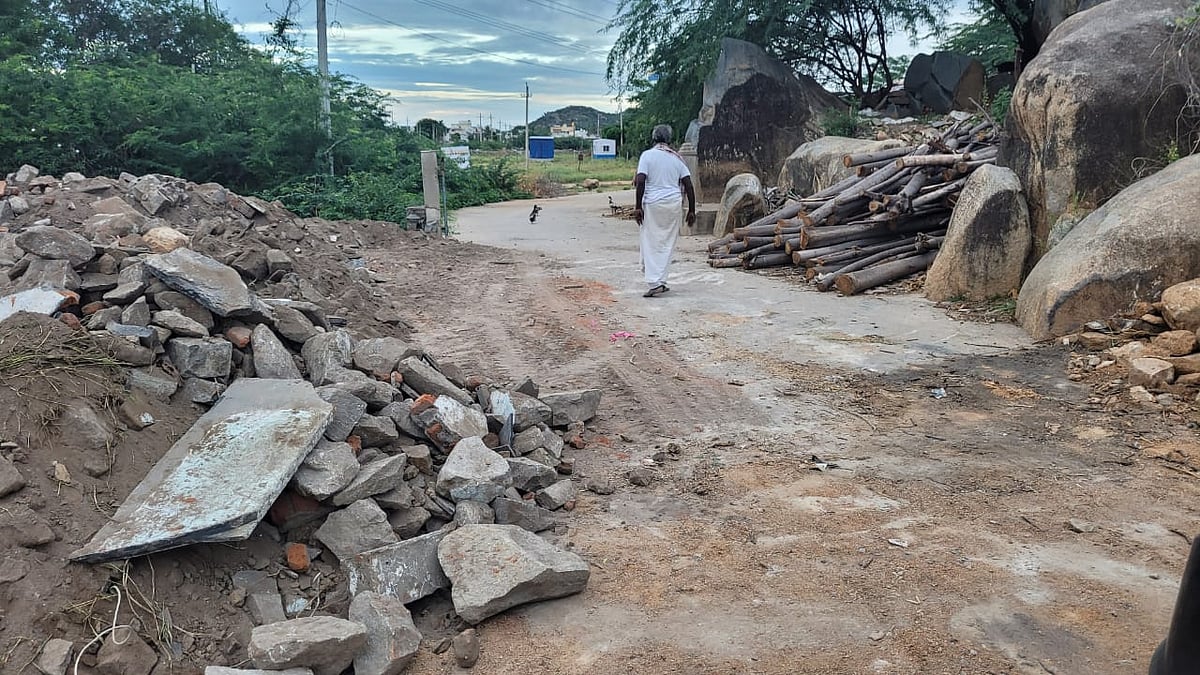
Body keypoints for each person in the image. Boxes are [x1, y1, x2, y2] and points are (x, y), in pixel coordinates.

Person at [634, 124, 696, 297]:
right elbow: (688, 185)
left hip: (652, 204)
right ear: (669, 139)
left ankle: (655, 282)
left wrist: (638, 206)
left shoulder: (647, 156)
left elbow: (640, 180)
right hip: (673, 204)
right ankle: (661, 280)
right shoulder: (677, 159)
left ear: (653, 138)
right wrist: (691, 210)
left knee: (650, 241)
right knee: (667, 243)